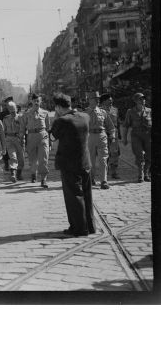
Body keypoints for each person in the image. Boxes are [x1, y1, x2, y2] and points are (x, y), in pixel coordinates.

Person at [50, 93, 96, 237]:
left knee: (74, 196)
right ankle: (90, 226)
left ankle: (79, 228)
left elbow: (52, 137)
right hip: (85, 162)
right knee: (87, 195)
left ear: (58, 107)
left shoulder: (61, 121)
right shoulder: (85, 117)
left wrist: (57, 119)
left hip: (69, 164)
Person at [19, 93, 51, 188]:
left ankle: (43, 179)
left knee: (44, 158)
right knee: (32, 159)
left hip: (43, 137)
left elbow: (48, 128)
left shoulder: (45, 113)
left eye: (38, 101)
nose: (36, 102)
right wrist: (21, 138)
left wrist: (50, 142)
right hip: (31, 137)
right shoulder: (27, 114)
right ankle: (33, 174)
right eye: (34, 101)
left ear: (40, 101)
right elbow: (22, 128)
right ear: (31, 101)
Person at [85, 91, 115, 189]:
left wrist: (112, 136)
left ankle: (104, 181)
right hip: (89, 137)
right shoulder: (84, 113)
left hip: (102, 136)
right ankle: (91, 178)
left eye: (98, 99)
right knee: (91, 161)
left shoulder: (103, 112)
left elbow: (111, 126)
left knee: (103, 159)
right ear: (89, 100)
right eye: (95, 98)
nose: (98, 100)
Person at [123, 92, 152, 182]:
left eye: (143, 98)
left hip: (148, 135)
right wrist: (124, 138)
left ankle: (146, 174)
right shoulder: (130, 112)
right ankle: (140, 175)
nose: (143, 100)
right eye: (140, 99)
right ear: (135, 101)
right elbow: (126, 125)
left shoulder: (149, 110)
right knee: (139, 155)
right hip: (136, 135)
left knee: (149, 155)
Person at [100, 93, 121, 180]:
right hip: (103, 133)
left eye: (111, 100)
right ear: (104, 101)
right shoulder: (99, 110)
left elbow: (118, 122)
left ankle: (114, 172)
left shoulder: (115, 110)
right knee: (105, 153)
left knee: (115, 153)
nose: (111, 101)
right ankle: (105, 170)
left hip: (114, 134)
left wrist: (119, 133)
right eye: (109, 100)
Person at [2, 100, 25, 182]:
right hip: (9, 139)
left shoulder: (21, 117)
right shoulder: (5, 119)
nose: (12, 113)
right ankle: (13, 174)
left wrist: (21, 137)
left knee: (21, 159)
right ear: (8, 110)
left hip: (19, 139)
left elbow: (23, 129)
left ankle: (19, 174)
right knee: (13, 156)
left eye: (14, 111)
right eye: (11, 111)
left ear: (16, 109)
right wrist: (3, 140)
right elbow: (3, 130)